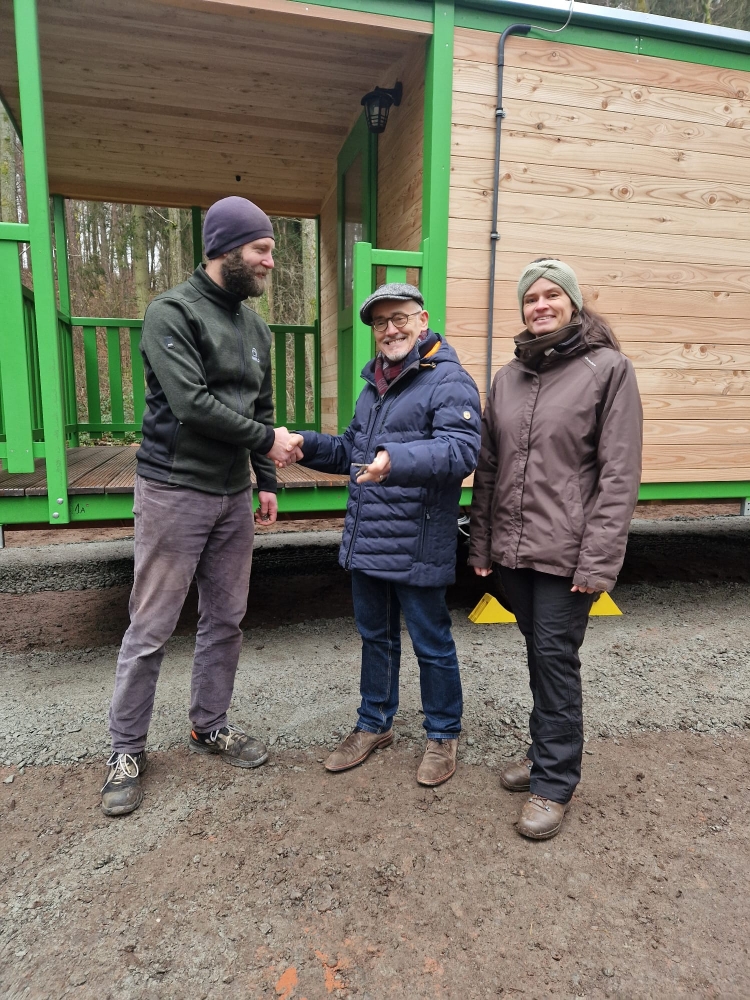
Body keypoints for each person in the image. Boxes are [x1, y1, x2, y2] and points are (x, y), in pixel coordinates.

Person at [101, 196, 302, 817]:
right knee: (151, 626)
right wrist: (266, 442)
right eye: (262, 249)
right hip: (172, 490)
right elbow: (190, 404)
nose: (272, 261)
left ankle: (208, 725)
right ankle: (125, 749)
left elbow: (260, 409)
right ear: (225, 250)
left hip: (231, 496)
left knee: (226, 617)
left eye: (271, 249)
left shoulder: (256, 327)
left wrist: (265, 479)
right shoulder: (171, 312)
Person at [469, 258, 642, 840]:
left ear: (573, 302)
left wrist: (599, 560)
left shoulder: (608, 369)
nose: (539, 305)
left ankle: (554, 782)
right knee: (540, 657)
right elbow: (489, 469)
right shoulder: (507, 379)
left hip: (569, 555)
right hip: (513, 553)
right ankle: (546, 753)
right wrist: (482, 544)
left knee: (555, 660)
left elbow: (619, 475)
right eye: (530, 298)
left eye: (551, 295)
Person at [286, 283, 481, 786]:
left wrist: (395, 461)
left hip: (417, 539)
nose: (390, 330)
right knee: (375, 637)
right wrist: (303, 445)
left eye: (400, 319)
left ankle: (442, 733)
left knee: (431, 642)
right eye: (380, 323)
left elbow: (461, 453)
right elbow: (352, 448)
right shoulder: (373, 385)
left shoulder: (449, 381)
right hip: (370, 535)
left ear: (423, 319)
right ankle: (374, 723)